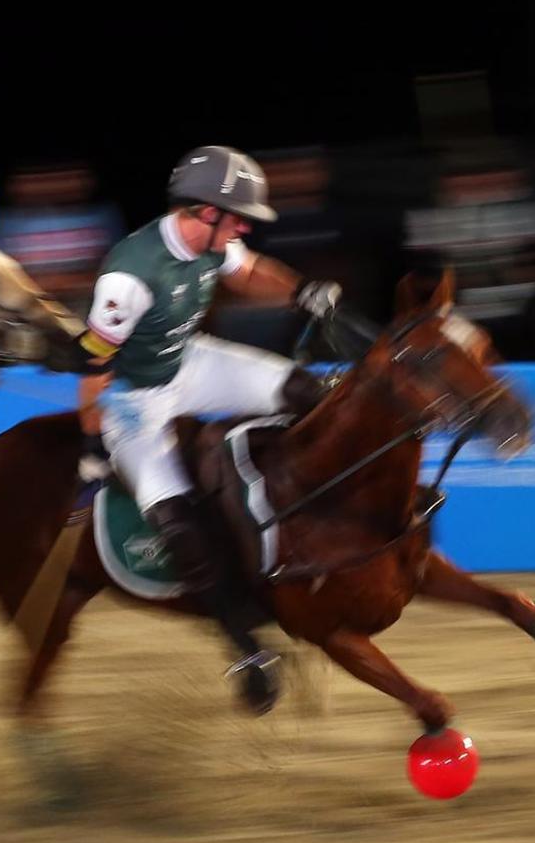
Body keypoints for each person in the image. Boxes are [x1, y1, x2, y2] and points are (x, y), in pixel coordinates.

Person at [67, 145, 343, 707]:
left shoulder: (215, 237)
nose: (243, 227)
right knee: (175, 519)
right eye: (237, 216)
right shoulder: (127, 280)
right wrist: (93, 442)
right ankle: (244, 646)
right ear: (202, 211)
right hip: (132, 401)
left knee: (305, 392)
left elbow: (250, 274)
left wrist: (300, 292)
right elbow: (93, 368)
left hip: (189, 363)